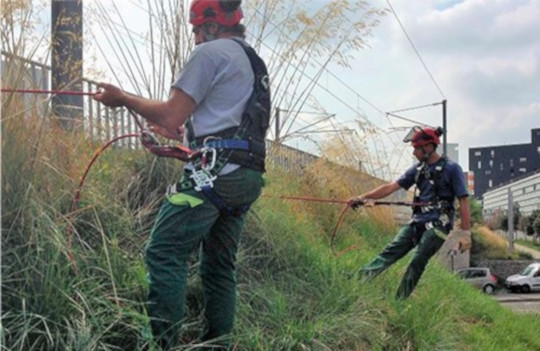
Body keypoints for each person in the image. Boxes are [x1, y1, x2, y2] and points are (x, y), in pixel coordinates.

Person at [93, 0, 270, 349]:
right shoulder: (252, 60)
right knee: (219, 267)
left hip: (214, 174)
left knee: (163, 253)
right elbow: (224, 121)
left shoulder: (210, 53)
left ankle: (159, 344)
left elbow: (171, 114)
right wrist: (184, 139)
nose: (194, 37)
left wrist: (123, 98)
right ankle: (217, 344)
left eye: (196, 29)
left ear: (213, 26)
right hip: (244, 177)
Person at [348, 126, 471, 300]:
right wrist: (362, 197)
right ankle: (356, 281)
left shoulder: (452, 169)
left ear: (428, 147)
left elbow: (463, 200)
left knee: (418, 259)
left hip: (438, 225)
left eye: (416, 148)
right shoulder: (418, 170)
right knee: (390, 251)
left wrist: (465, 234)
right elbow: (391, 187)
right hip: (417, 221)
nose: (414, 152)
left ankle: (399, 300)